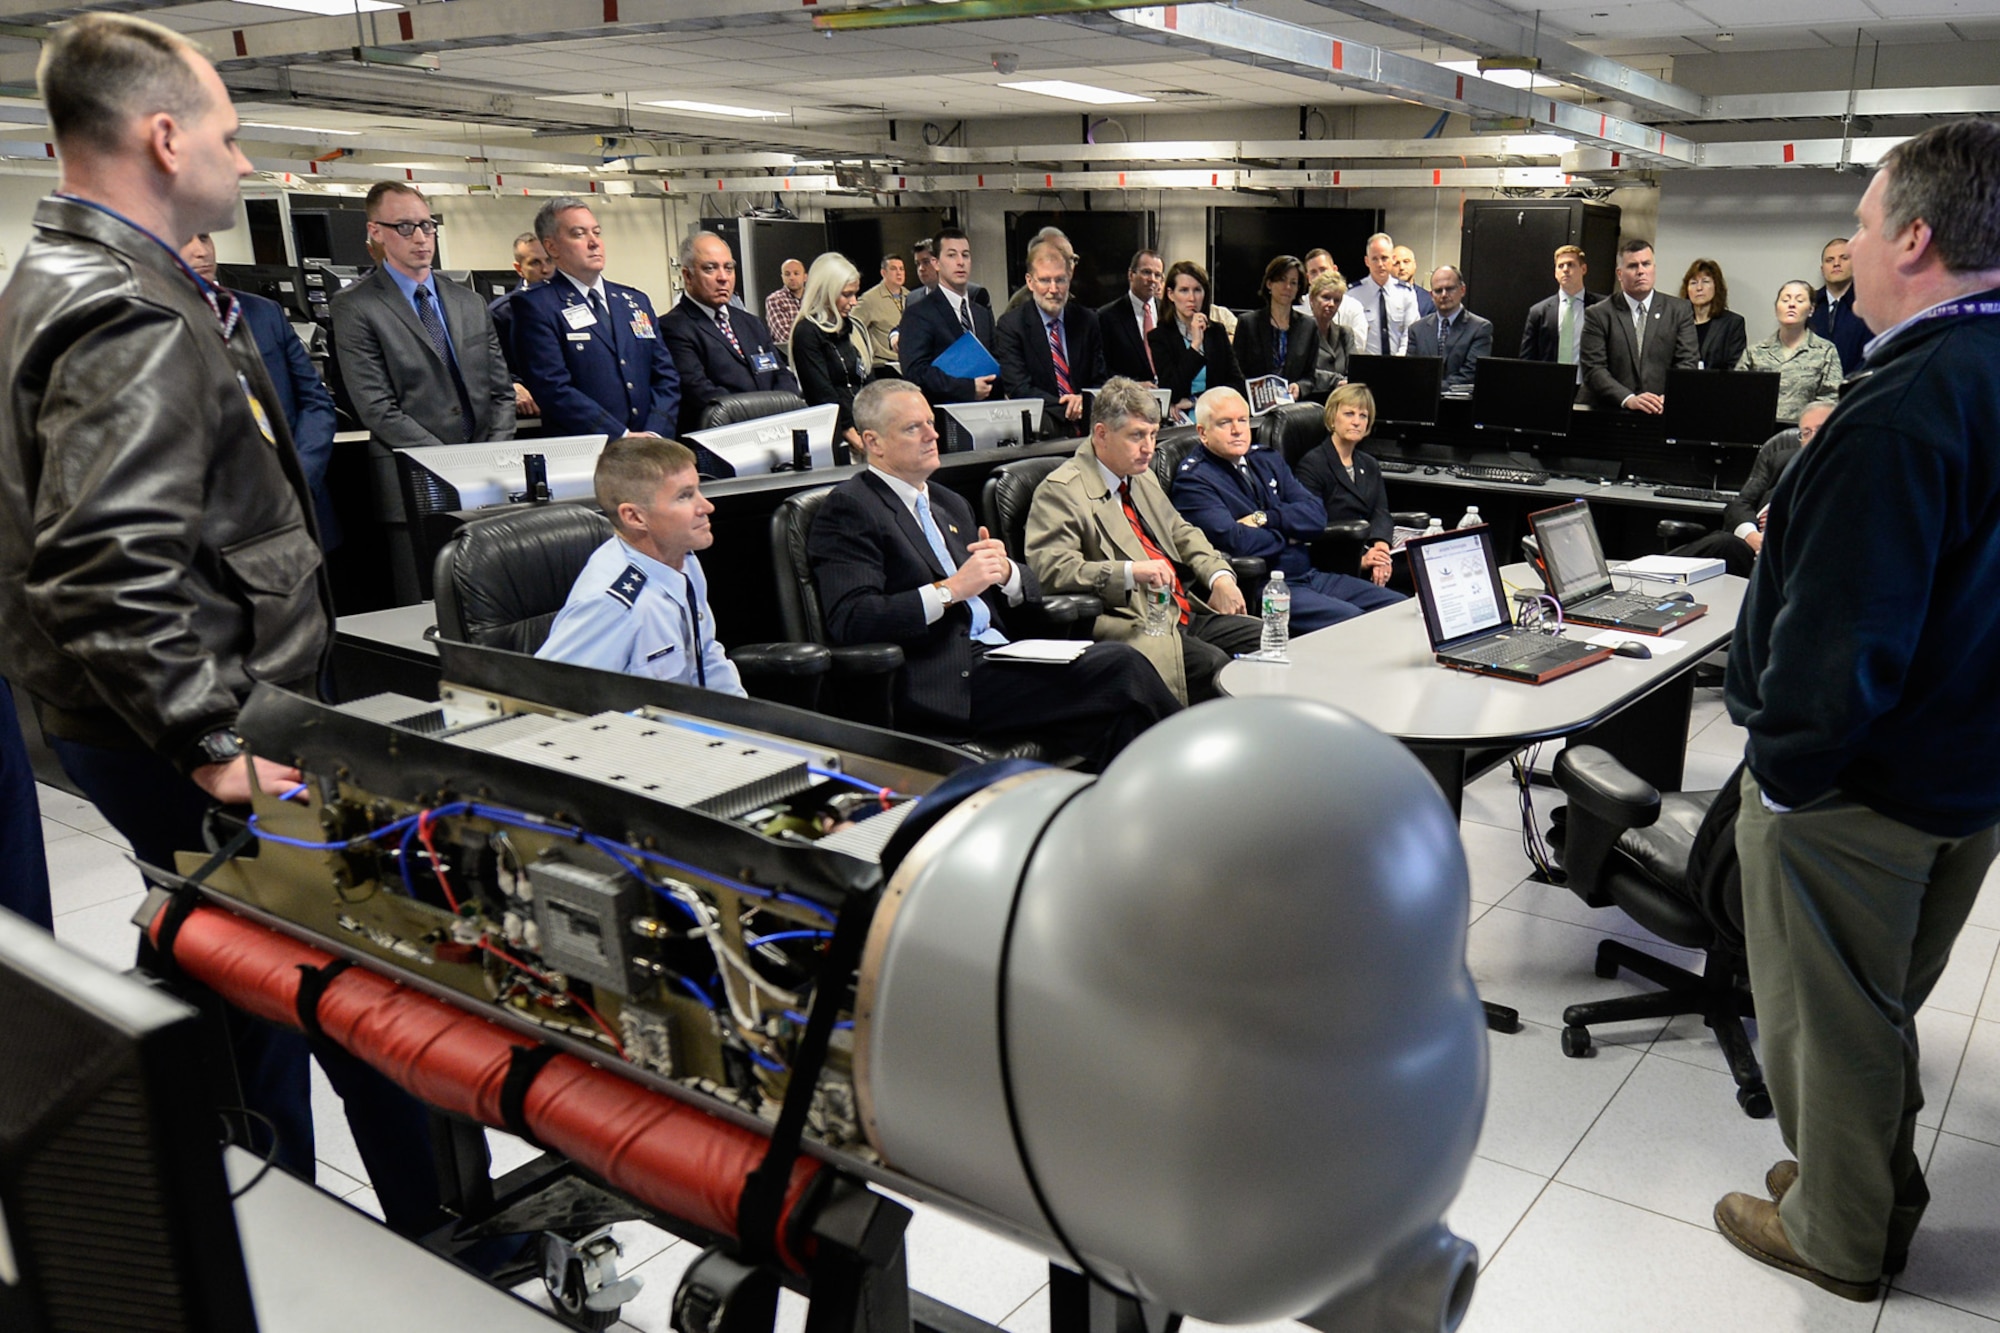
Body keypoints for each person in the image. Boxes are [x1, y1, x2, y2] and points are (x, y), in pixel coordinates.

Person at [0, 11, 443, 1232]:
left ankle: (320, 1219)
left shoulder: (72, 278)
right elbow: (101, 562)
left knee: (247, 974)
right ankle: (291, 1231)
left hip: (168, 709)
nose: (244, 163)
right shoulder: (123, 312)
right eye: (231, 136)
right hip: (203, 719)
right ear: (160, 135)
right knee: (298, 985)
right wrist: (211, 743)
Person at [1715, 117, 2000, 1305]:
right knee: (1875, 1012)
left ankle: (1836, 1234)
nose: (1848, 244)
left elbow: (1840, 650)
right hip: (1969, 773)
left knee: (1826, 1024)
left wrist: (1778, 775)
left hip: (1856, 791)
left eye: (1858, 222)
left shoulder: (1897, 406)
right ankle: (1872, 1198)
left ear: (1915, 238)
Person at [806, 379, 1178, 772]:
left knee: (1122, 722)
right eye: (914, 428)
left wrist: (1008, 575)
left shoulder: (950, 503)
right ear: (873, 442)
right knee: (1122, 665)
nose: (933, 435)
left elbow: (1023, 588)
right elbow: (853, 619)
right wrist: (951, 590)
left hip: (1004, 656)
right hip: (945, 680)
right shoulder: (851, 508)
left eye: (931, 423)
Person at [1026, 377, 1263, 705]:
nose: (1149, 447)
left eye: (1152, 435)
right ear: (1101, 434)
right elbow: (1050, 571)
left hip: (1180, 609)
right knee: (1214, 667)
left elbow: (1181, 532)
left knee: (1269, 640)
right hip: (1131, 620)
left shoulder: (1141, 475)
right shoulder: (1061, 491)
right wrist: (1128, 572)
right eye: (1136, 435)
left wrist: (1218, 575)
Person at [1172, 386, 1401, 633]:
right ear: (1202, 432)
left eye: (1243, 420)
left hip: (1308, 574)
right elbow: (1236, 541)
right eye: (1225, 423)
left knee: (1400, 608)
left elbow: (1316, 516)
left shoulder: (1265, 459)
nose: (1238, 430)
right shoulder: (1194, 481)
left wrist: (1265, 519)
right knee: (1356, 623)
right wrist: (1291, 534)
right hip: (1264, 585)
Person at [537, 438, 743, 696]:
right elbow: (546, 695)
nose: (707, 507)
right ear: (634, 517)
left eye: (699, 490)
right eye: (685, 496)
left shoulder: (683, 559)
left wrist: (752, 729)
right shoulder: (613, 605)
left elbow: (704, 655)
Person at [183, 231, 340, 547]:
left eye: (204, 237)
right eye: (183, 239)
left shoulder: (262, 313)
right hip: (217, 519)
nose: (201, 251)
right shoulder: (151, 325)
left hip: (297, 507)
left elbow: (316, 402)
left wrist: (299, 477)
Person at [332, 181, 516, 447]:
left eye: (427, 226)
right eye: (404, 227)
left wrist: (494, 449)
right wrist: (446, 461)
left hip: (487, 458)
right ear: (376, 232)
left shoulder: (470, 302)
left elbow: (501, 392)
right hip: (414, 466)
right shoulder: (356, 307)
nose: (420, 238)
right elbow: (377, 407)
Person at [1666, 402, 1831, 578]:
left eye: (1820, 430)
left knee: (1725, 545)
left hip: (1789, 558)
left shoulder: (1849, 475)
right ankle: (1649, 573)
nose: (1813, 438)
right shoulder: (1781, 461)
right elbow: (1740, 504)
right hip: (1748, 547)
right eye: (1806, 432)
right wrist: (1751, 535)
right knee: (1723, 544)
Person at [661, 229, 799, 437]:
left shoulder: (750, 322)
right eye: (710, 269)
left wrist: (782, 408)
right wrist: (760, 417)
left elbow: (781, 373)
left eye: (729, 268)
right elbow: (701, 393)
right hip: (722, 439)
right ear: (687, 276)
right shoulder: (674, 327)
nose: (723, 278)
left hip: (774, 433)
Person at [1294, 384, 1400, 591]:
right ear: (1333, 417)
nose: (1356, 422)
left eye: (1363, 416)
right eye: (1349, 414)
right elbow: (1311, 529)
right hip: (1336, 563)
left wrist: (1382, 551)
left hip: (1371, 553)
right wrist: (1361, 560)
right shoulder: (1313, 464)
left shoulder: (1369, 464)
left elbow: (1380, 512)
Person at [996, 238, 1107, 435]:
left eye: (1060, 280)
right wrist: (1067, 405)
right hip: (1042, 432)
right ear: (1030, 282)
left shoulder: (1088, 321)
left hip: (1089, 428)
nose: (1053, 289)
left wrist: (1084, 400)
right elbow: (1019, 388)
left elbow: (1099, 379)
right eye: (1045, 280)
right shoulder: (1011, 326)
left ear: (1069, 277)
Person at [1578, 237, 1699, 412]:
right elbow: (1594, 369)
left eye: (1646, 264)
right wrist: (1628, 399)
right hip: (1611, 411)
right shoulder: (1598, 314)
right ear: (1620, 274)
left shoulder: (1679, 310)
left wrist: (1669, 396)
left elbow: (1687, 361)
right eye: (1633, 266)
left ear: (1654, 269)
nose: (1640, 271)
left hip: (1661, 410)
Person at [896, 227, 996, 405]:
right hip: (942, 415)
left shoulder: (981, 313)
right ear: (936, 263)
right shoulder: (918, 313)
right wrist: (967, 388)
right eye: (951, 255)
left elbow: (994, 359)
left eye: (965, 255)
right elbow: (915, 372)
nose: (960, 262)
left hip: (987, 411)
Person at [789, 252, 870, 456]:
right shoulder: (807, 333)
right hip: (837, 440)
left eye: (855, 293)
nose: (854, 302)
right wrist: (856, 440)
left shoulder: (852, 328)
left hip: (866, 428)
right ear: (825, 291)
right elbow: (823, 395)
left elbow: (868, 382)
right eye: (846, 294)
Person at [1149, 260, 1244, 423]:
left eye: (1197, 290)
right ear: (1171, 294)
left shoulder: (1217, 332)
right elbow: (1172, 390)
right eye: (1184, 290)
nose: (1192, 298)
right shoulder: (1159, 337)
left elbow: (1237, 385)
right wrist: (1195, 346)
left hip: (1217, 416)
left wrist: (1196, 401)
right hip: (1180, 422)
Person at [1737, 280, 1846, 422]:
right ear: (1776, 308)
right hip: (1760, 433)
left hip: (1805, 434)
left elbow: (1831, 399)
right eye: (1785, 299)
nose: (1792, 304)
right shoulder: (1755, 352)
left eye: (1799, 300)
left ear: (1811, 309)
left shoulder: (1825, 351)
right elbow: (1738, 396)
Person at [1232, 255, 1318, 401]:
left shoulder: (1308, 326)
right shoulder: (1248, 323)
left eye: (1293, 282)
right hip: (1254, 404)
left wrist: (1299, 387)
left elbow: (1310, 376)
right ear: (1269, 283)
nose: (1288, 287)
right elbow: (1236, 372)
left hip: (1292, 407)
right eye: (1282, 280)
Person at [489, 229, 553, 417]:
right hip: (531, 408)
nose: (546, 269)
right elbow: (490, 366)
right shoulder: (502, 312)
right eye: (535, 262)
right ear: (519, 269)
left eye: (549, 260)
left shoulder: (573, 304)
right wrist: (511, 384)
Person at [1404, 266, 1493, 391]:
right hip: (1424, 404)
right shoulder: (1417, 330)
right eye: (1438, 290)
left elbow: (1471, 374)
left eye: (1450, 289)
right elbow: (1411, 371)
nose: (1444, 295)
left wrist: (1433, 387)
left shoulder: (1480, 328)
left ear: (1462, 290)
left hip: (1461, 406)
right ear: (1431, 295)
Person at [1520, 244, 1595, 368]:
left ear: (1584, 269)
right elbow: (1527, 357)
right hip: (1550, 383)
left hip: (1588, 384)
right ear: (1555, 273)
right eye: (1560, 266)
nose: (1565, 269)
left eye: (1570, 264)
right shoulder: (1539, 312)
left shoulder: (1601, 308)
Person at [1097, 247, 1164, 384]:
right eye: (1146, 272)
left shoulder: (1169, 311)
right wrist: (1132, 386)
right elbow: (1102, 368)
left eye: (1157, 275)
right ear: (1131, 275)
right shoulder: (1107, 316)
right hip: (1128, 399)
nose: (1152, 279)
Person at [1808, 235, 1874, 373]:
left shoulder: (1869, 305)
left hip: (1856, 389)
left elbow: (1874, 354)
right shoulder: (1808, 304)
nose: (1836, 263)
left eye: (1844, 258)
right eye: (1829, 260)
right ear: (1822, 269)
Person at [1353, 232, 1419, 356]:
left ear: (1393, 259)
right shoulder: (1353, 295)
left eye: (1384, 258)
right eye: (1374, 259)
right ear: (1367, 261)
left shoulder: (1406, 293)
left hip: (1400, 365)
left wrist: (1397, 362)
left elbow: (1410, 333)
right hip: (1366, 366)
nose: (1380, 264)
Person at [1681, 257, 1747, 371]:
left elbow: (1735, 368)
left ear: (1717, 287)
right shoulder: (1678, 322)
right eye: (1693, 283)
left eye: (1705, 281)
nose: (1699, 288)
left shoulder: (1733, 323)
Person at [852, 252, 908, 375]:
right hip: (883, 365)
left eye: (901, 269)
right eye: (893, 269)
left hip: (908, 361)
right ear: (883, 273)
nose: (899, 273)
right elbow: (853, 327)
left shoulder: (910, 296)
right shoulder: (870, 299)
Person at [1003, 226, 1073, 314]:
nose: (1070, 265)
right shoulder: (1020, 303)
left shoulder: (1077, 302)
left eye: (1072, 259)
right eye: (1052, 256)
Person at [764, 256, 807, 350]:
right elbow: (784, 336)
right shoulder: (775, 300)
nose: (792, 277)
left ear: (805, 277)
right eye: (787, 274)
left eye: (796, 273)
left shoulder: (815, 298)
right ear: (782, 277)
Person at [1391, 244, 1437, 317]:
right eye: (1396, 263)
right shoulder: (1381, 297)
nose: (1401, 267)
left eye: (1406, 261)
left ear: (1414, 264)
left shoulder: (1428, 300)